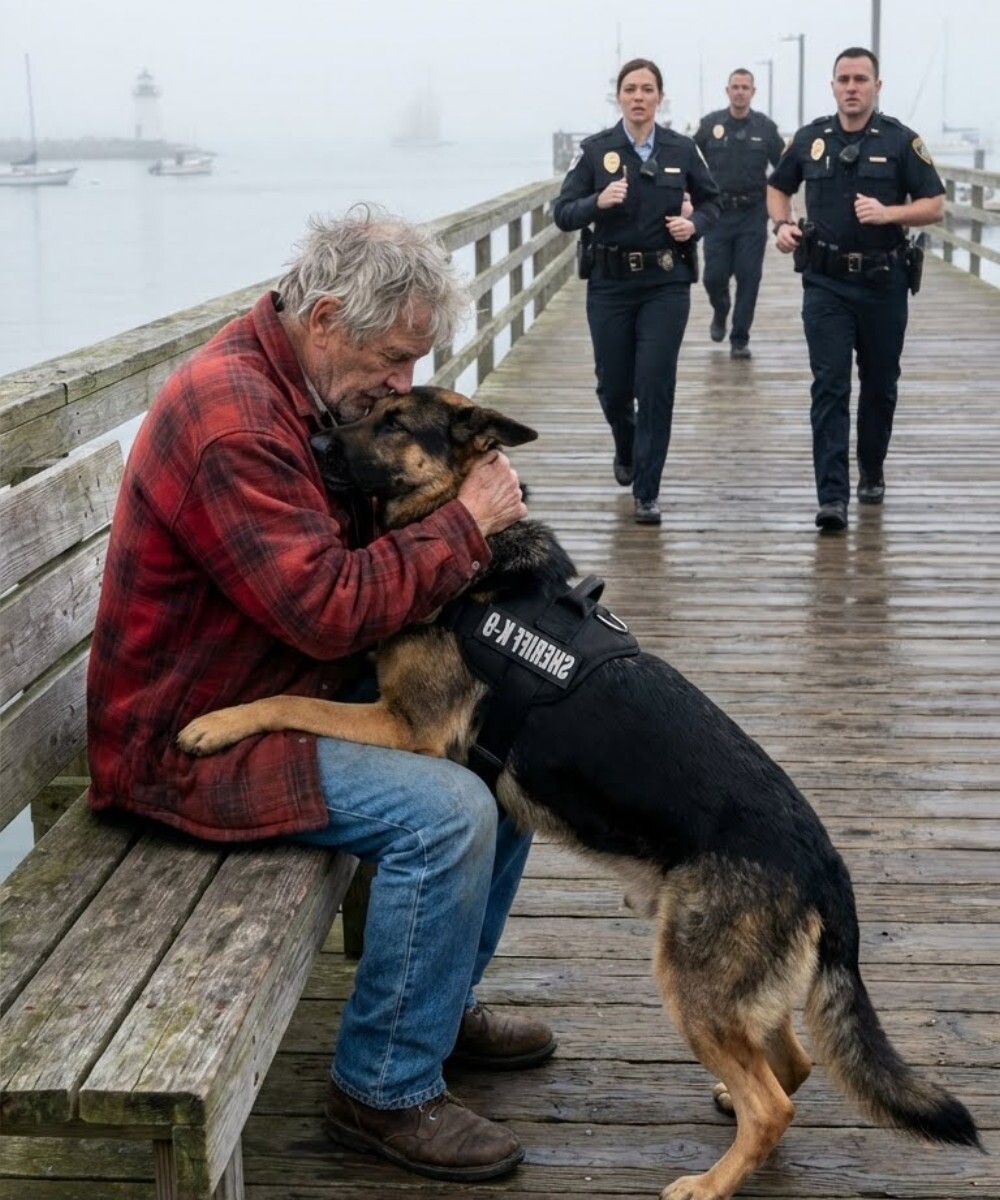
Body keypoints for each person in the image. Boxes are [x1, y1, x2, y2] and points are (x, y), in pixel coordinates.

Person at [86, 209, 556, 1183]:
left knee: (506, 754)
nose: (402, 385)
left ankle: (439, 1000)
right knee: (448, 813)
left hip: (273, 678)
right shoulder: (234, 417)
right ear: (329, 316)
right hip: (187, 739)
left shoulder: (309, 386)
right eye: (392, 362)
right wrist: (468, 526)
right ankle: (380, 1089)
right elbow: (328, 611)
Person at [767, 46, 944, 531]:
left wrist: (890, 214)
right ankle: (832, 498)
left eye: (861, 79)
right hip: (825, 284)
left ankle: (871, 468)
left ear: (877, 86)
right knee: (829, 386)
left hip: (883, 283)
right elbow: (778, 185)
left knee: (881, 386)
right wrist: (780, 224)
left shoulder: (902, 141)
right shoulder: (810, 139)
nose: (852, 87)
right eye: (843, 78)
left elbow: (935, 204)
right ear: (833, 86)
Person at [554, 58, 720, 526]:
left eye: (648, 89)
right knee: (613, 387)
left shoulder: (683, 149)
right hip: (610, 286)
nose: (639, 97)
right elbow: (562, 212)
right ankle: (625, 444)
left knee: (655, 384)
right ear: (619, 97)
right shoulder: (594, 151)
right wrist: (596, 202)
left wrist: (695, 224)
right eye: (631, 89)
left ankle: (647, 490)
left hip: (665, 283)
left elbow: (713, 202)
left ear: (659, 98)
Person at [694, 68, 785, 359]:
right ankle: (721, 310)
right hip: (718, 213)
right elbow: (690, 162)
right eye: (735, 86)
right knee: (713, 277)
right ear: (727, 90)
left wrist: (784, 212)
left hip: (752, 214)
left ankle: (739, 338)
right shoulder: (710, 126)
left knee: (749, 276)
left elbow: (784, 171)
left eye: (745, 87)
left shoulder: (765, 129)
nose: (740, 92)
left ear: (753, 92)